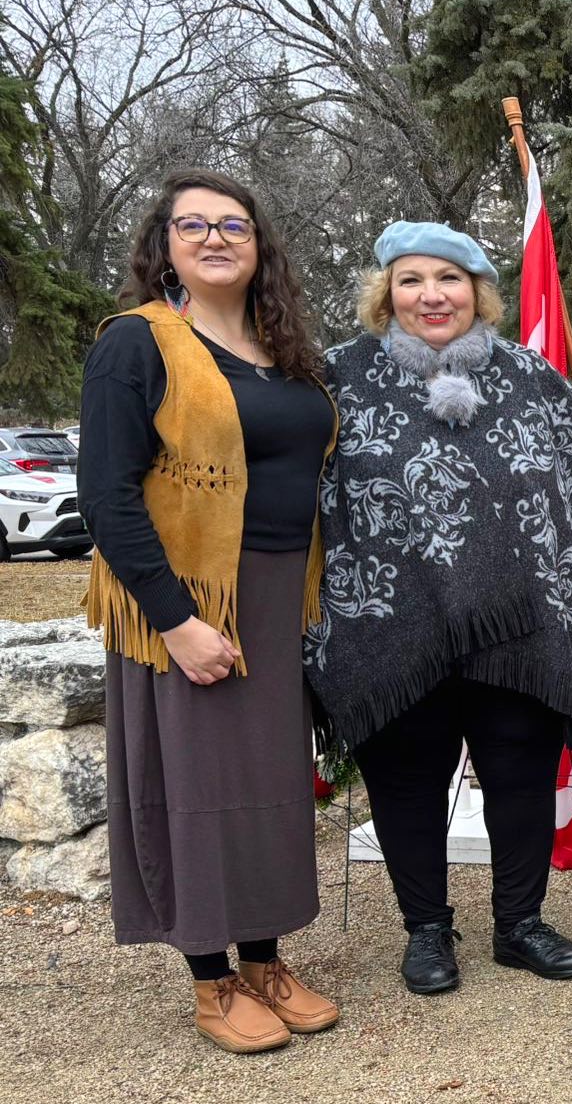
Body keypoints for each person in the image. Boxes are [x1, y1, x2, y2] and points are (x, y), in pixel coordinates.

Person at [307, 222, 572, 997]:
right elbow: (293, 490)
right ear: (387, 292)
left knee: (519, 772)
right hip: (387, 619)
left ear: (476, 292)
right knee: (405, 779)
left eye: (447, 280)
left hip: (520, 621)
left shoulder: (528, 375)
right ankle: (426, 930)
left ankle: (519, 923)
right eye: (411, 280)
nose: (431, 296)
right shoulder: (335, 380)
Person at [79, 170, 340, 1053]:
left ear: (260, 243)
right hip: (186, 596)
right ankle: (211, 977)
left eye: (234, 224)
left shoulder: (285, 350)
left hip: (273, 591)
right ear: (166, 244)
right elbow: (106, 497)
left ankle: (265, 958)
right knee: (193, 788)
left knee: (267, 786)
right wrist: (177, 621)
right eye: (194, 225)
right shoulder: (138, 344)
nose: (216, 237)